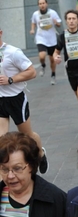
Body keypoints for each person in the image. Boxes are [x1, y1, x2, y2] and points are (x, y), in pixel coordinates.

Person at [0, 132, 71, 217]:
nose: (10, 176)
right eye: (4, 169)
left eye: (17, 168)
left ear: (31, 166)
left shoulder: (56, 200)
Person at [0, 28, 49, 174]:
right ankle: (4, 176)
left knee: (27, 136)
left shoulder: (13, 52)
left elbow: (32, 72)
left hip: (16, 99)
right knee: (1, 139)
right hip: (0, 100)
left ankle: (41, 153)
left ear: (1, 33)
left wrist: (10, 80)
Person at [30, 0, 62, 85]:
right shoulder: (35, 14)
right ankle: (43, 65)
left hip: (52, 39)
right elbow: (33, 22)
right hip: (41, 38)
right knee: (42, 56)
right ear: (38, 5)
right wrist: (32, 29)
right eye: (40, 4)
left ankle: (53, 74)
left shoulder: (52, 13)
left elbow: (59, 24)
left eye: (43, 3)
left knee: (52, 60)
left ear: (46, 4)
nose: (42, 5)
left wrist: (56, 23)